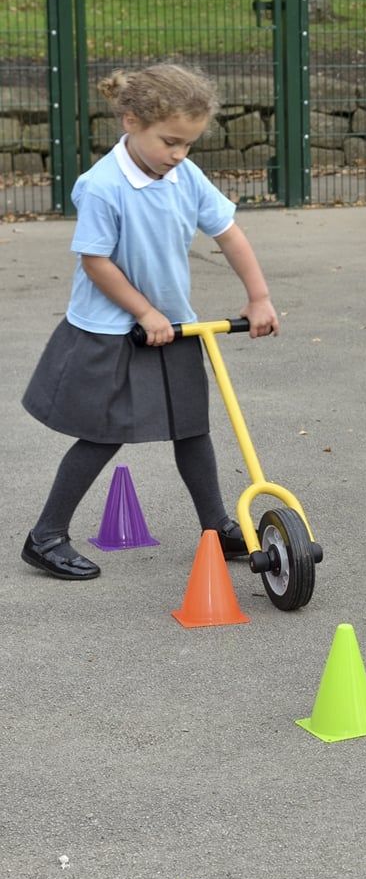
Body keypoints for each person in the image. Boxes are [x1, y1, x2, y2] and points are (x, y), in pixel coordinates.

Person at [21, 62, 279, 580]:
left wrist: (259, 297)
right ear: (131, 120)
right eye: (170, 142)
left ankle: (216, 526)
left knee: (192, 428)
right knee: (102, 433)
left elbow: (227, 232)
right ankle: (45, 536)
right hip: (111, 329)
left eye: (188, 144)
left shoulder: (185, 175)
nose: (179, 155)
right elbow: (96, 261)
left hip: (174, 325)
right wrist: (144, 311)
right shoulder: (102, 186)